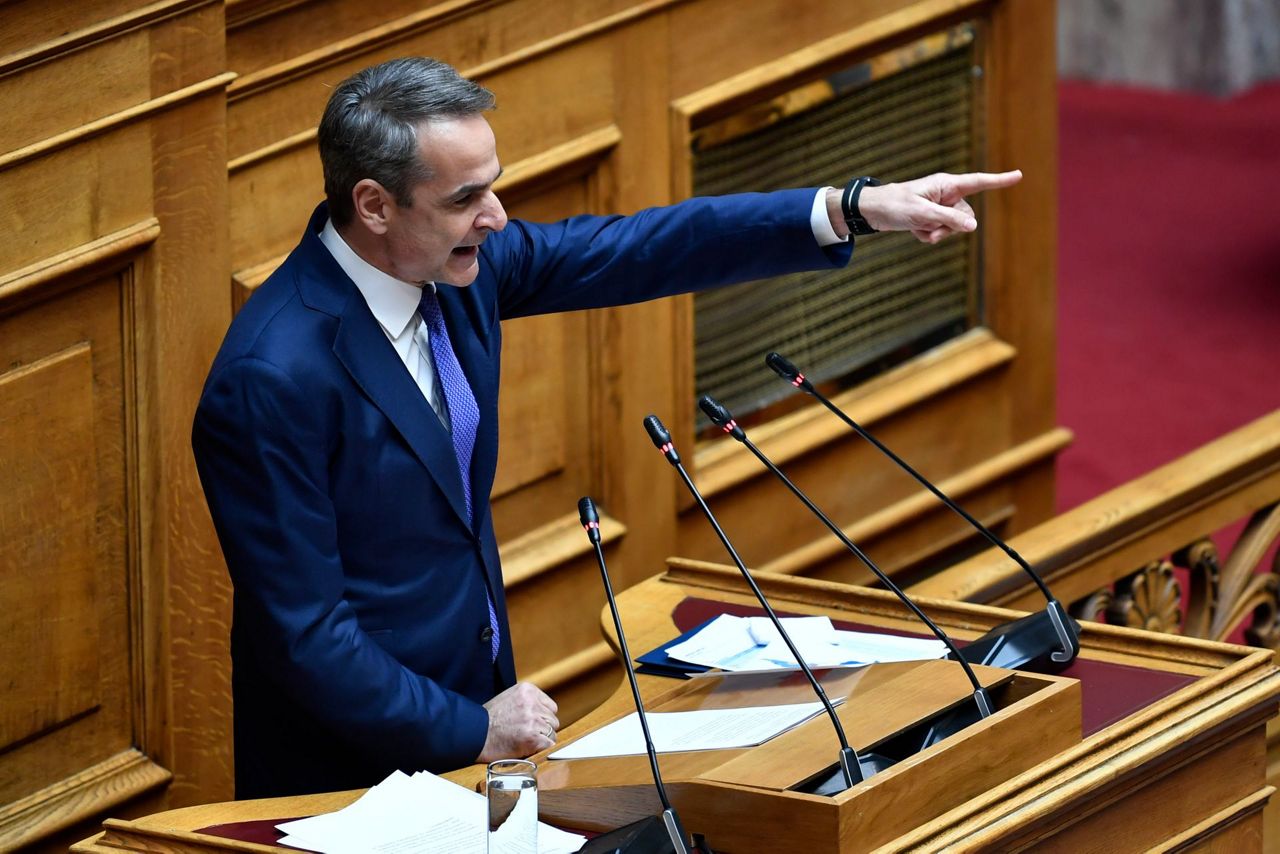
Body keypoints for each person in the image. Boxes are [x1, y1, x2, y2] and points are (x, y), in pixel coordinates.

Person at [192, 56, 1022, 798]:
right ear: (373, 205)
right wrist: (470, 727)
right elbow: (308, 638)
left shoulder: (456, 268)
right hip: (345, 775)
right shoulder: (272, 378)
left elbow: (637, 247)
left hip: (481, 725)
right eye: (465, 198)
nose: (496, 217)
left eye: (493, 185)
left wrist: (852, 208)